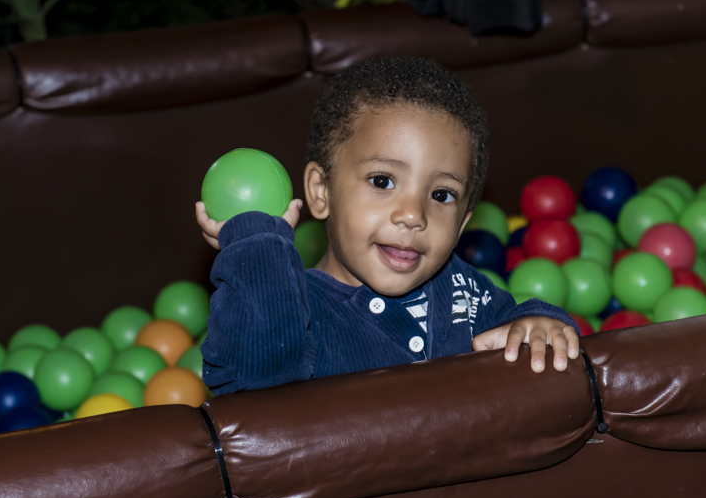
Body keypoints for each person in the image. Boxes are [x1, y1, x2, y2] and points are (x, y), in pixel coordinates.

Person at [195, 56, 579, 395]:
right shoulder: (297, 306)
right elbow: (252, 376)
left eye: (441, 195)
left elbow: (511, 324)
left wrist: (540, 324)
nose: (413, 215)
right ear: (321, 191)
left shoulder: (463, 290)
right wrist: (258, 251)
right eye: (382, 181)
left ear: (462, 225)